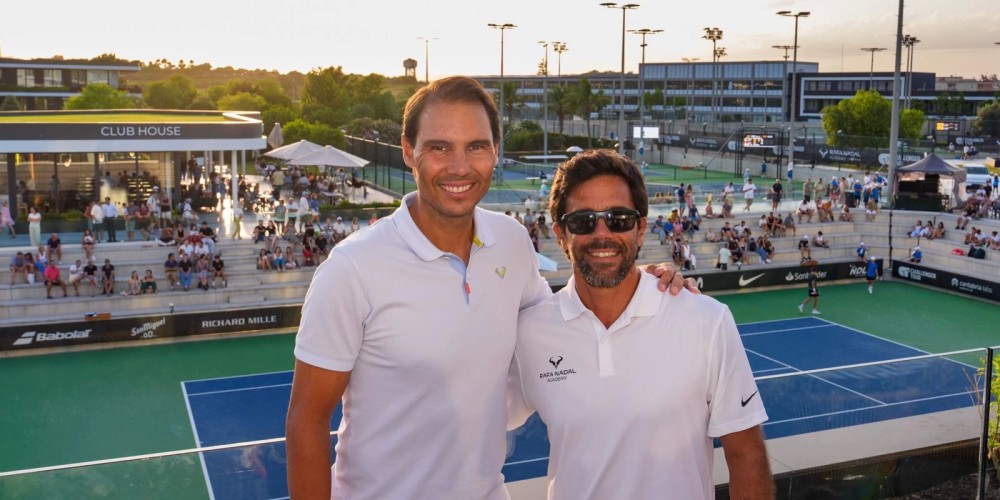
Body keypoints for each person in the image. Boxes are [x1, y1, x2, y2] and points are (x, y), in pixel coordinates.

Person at [285, 77, 688, 500]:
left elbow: (562, 322)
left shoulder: (511, 240)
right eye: (440, 147)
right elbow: (306, 422)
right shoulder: (352, 267)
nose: (459, 166)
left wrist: (636, 276)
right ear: (408, 150)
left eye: (476, 146)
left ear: (495, 150)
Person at [508, 150, 771, 499]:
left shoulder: (706, 320)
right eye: (583, 221)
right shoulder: (529, 332)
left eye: (619, 218)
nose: (602, 234)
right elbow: (473, 424)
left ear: (641, 228)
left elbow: (746, 452)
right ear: (560, 233)